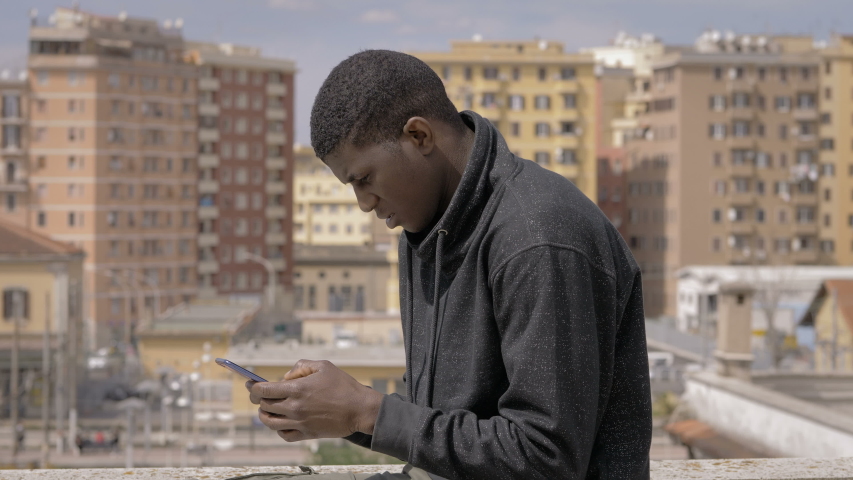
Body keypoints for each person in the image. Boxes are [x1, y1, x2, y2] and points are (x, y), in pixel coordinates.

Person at [247, 50, 652, 479]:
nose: (364, 204)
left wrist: (369, 413)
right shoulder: (429, 227)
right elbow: (451, 425)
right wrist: (340, 411)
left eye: (365, 179)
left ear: (419, 136)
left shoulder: (538, 239)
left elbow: (545, 458)